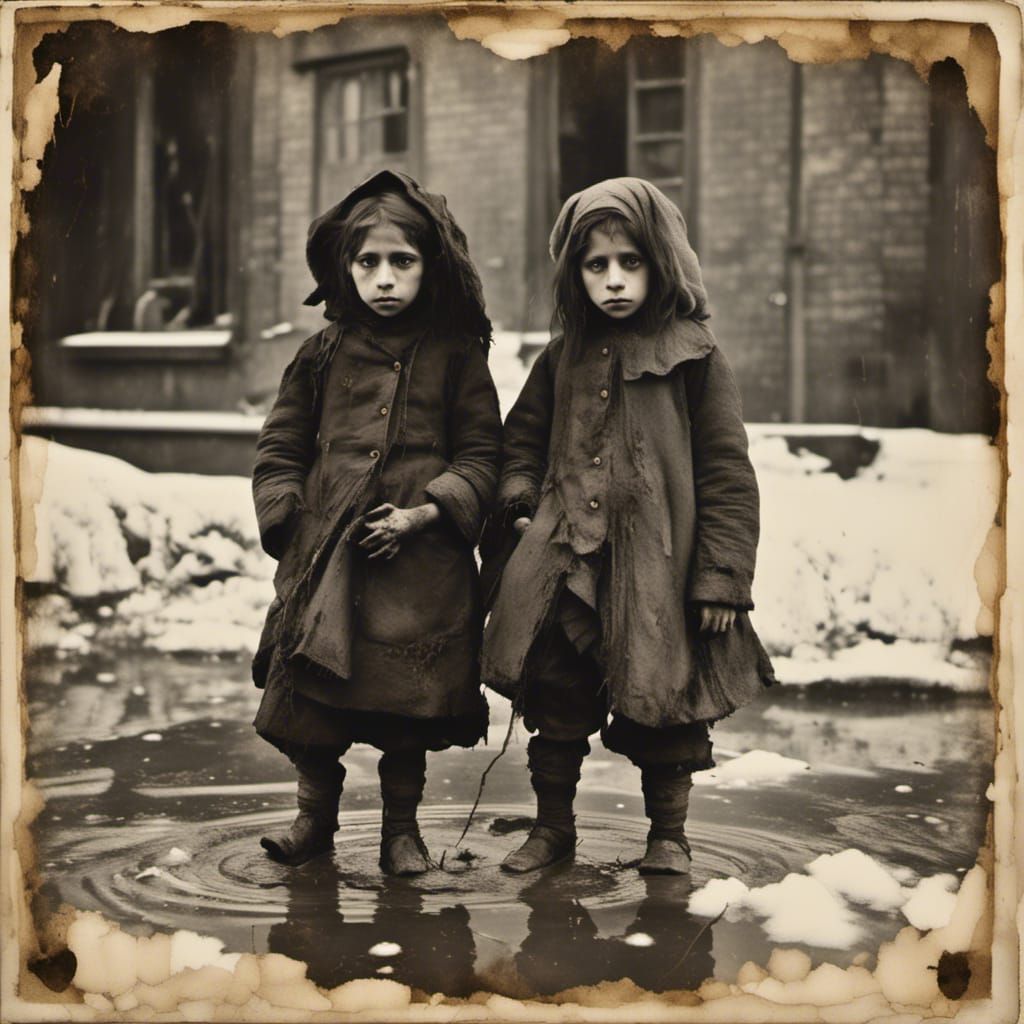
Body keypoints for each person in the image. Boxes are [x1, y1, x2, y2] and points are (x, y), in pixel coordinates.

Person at [481, 178, 774, 876]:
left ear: (662, 263)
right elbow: (519, 444)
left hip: (658, 571)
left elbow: (728, 474)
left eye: (630, 262)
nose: (613, 280)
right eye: (595, 265)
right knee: (556, 701)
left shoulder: (694, 359)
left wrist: (720, 577)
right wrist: (522, 502)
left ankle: (667, 835)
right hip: (565, 565)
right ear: (574, 273)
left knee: (665, 704)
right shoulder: (561, 359)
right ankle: (553, 828)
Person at [251, 170, 502, 876]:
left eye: (403, 261)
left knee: (404, 712)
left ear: (430, 265)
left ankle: (402, 833)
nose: (384, 278)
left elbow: (484, 454)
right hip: (328, 559)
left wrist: (427, 512)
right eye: (368, 263)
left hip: (420, 566)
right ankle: (313, 821)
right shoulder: (321, 354)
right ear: (346, 267)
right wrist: (289, 518)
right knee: (313, 708)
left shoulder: (458, 357)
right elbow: (280, 447)